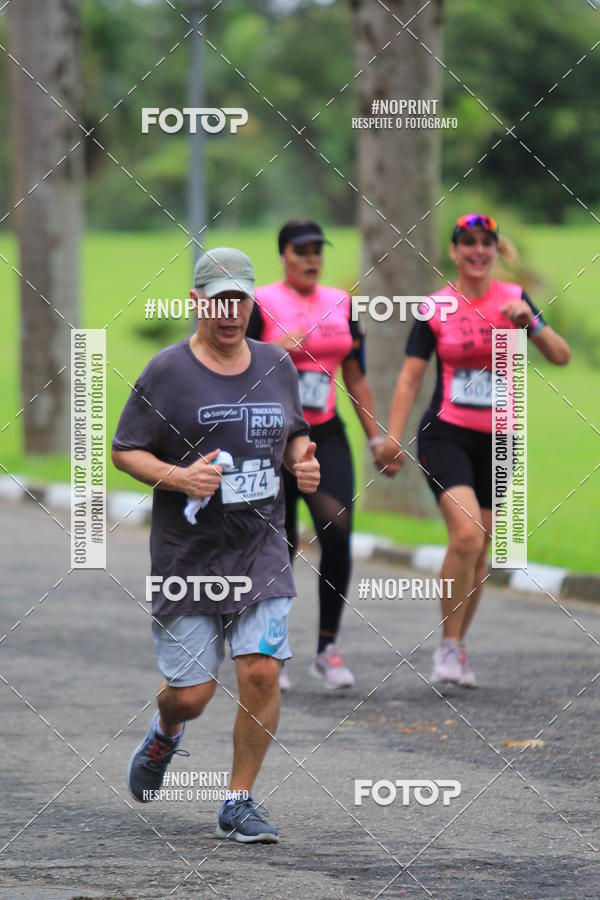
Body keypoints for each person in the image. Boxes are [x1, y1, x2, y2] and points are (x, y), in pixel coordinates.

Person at [111, 247, 320, 843]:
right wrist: (180, 478)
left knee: (260, 672)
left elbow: (294, 437)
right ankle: (165, 731)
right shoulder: (167, 371)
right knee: (193, 694)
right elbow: (125, 448)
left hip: (260, 547)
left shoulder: (278, 363)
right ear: (198, 301)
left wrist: (303, 463)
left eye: (241, 299)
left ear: (254, 301)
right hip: (189, 556)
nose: (231, 311)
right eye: (219, 299)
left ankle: (239, 800)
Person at [376, 213, 570, 687]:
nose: (478, 251)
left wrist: (534, 326)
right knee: (465, 536)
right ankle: (446, 645)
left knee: (482, 547)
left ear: (495, 250)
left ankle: (458, 646)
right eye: (469, 243)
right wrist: (393, 438)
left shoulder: (515, 300)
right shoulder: (436, 307)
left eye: (486, 243)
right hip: (447, 433)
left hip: (501, 439)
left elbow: (561, 356)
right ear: (455, 251)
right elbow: (410, 376)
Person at [246, 219, 383, 691]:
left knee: (338, 529)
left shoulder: (341, 304)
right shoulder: (261, 303)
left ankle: (327, 648)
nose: (311, 259)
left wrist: (376, 438)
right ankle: (269, 645)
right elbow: (234, 364)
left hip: (324, 432)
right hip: (271, 436)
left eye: (317, 251)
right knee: (278, 543)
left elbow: (356, 376)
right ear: (282, 254)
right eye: (301, 250)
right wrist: (273, 350)